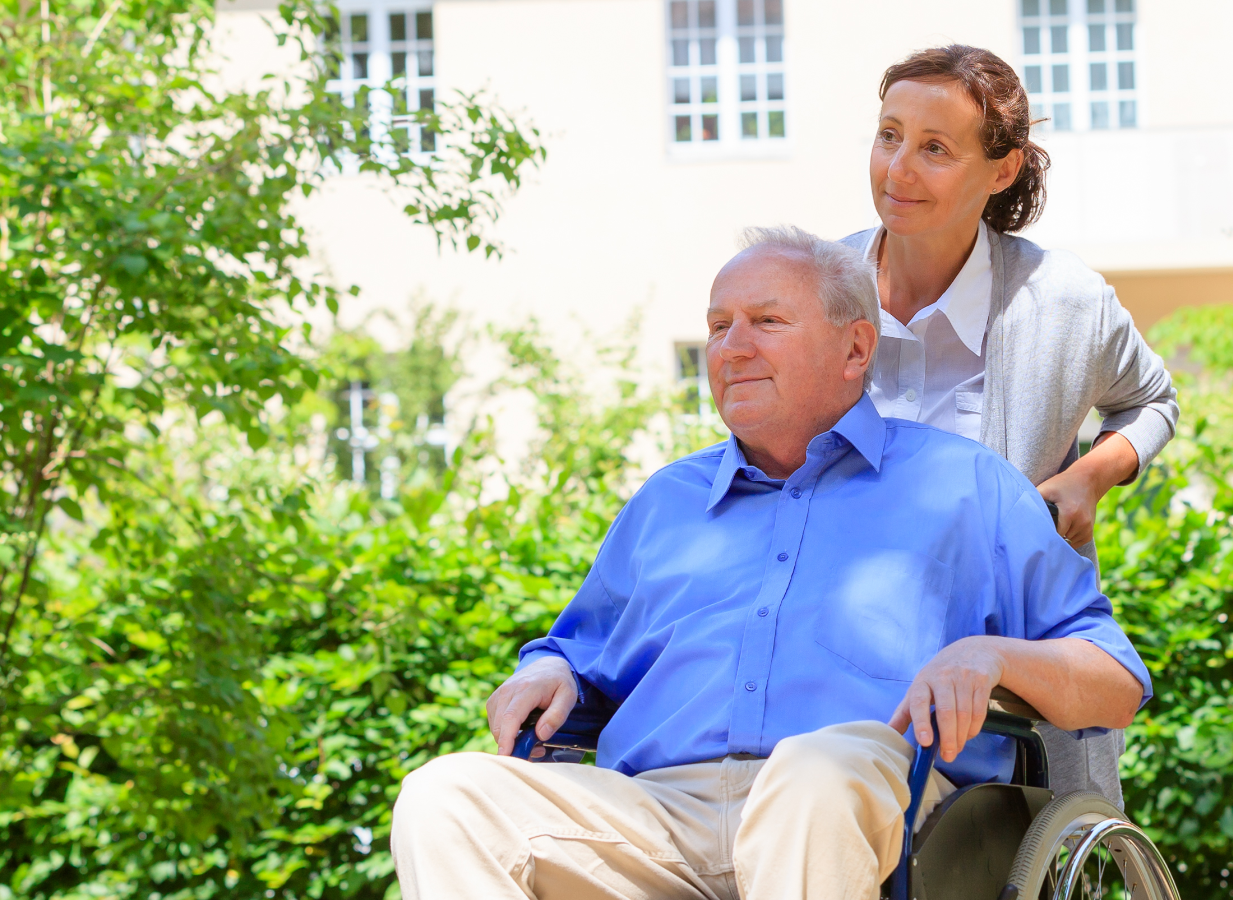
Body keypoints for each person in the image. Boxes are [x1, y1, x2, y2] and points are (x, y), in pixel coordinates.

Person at [390, 228, 1151, 900]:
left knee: (810, 776)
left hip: (867, 800)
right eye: (719, 326)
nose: (732, 347)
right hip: (655, 816)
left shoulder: (967, 486)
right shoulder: (666, 502)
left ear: (856, 349)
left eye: (767, 322)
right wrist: (547, 669)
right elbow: (576, 652)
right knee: (445, 796)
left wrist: (992, 656)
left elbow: (1114, 681)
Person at [847, 45, 1177, 807]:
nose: (897, 170)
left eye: (934, 148)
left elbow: (1153, 401)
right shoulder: (822, 288)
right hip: (838, 651)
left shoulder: (1064, 302)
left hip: (1004, 675)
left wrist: (1088, 477)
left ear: (1002, 170)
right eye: (889, 135)